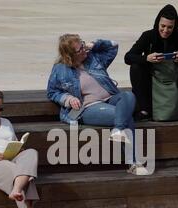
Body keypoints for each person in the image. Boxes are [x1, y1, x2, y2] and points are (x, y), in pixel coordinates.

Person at [47, 34, 148, 175]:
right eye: (79, 50)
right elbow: (52, 92)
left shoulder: (93, 58)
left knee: (128, 95)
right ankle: (133, 162)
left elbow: (113, 46)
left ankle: (117, 130)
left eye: (82, 45)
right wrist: (68, 99)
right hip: (89, 107)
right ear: (69, 56)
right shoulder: (60, 69)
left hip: (111, 98)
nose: (83, 50)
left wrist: (95, 44)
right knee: (125, 116)